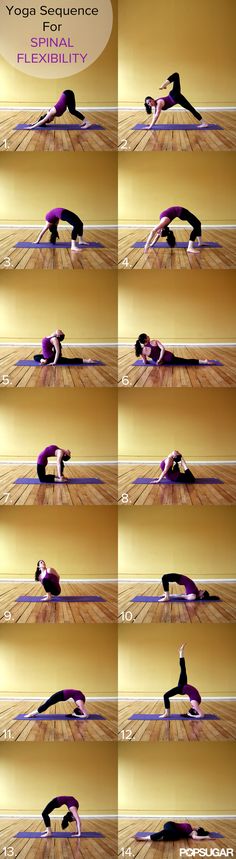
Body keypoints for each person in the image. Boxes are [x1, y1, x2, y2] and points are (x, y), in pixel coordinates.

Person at [159, 643, 203, 719]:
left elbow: (201, 715)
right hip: (183, 686)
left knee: (165, 696)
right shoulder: (195, 703)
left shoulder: (195, 703)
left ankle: (167, 713)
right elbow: (201, 714)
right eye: (191, 711)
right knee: (183, 669)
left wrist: (192, 715)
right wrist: (193, 715)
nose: (190, 709)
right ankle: (180, 653)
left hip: (182, 687)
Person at [135, 334, 214, 366]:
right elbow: (163, 349)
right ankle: (204, 361)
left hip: (158, 361)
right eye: (147, 336)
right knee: (185, 361)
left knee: (158, 361)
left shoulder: (142, 351)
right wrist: (160, 359)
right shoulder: (154, 341)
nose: (149, 336)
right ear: (146, 339)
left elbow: (145, 362)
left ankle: (160, 362)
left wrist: (150, 361)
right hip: (168, 357)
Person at [136, 822, 210, 842]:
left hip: (169, 827)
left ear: (198, 829)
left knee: (175, 836)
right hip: (170, 825)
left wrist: (206, 836)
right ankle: (145, 838)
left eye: (198, 827)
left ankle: (159, 838)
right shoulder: (189, 827)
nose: (197, 826)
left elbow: (195, 837)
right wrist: (206, 836)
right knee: (176, 835)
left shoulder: (193, 831)